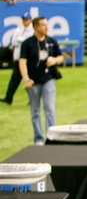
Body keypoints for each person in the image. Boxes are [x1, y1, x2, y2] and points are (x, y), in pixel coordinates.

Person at [19, 16, 63, 145]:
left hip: (47, 79)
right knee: (35, 111)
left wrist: (55, 60)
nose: (46, 27)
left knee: (50, 109)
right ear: (36, 27)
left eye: (46, 24)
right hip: (33, 81)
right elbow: (22, 61)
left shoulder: (51, 41)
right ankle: (38, 138)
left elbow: (60, 56)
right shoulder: (27, 43)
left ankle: (52, 137)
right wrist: (26, 79)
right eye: (43, 25)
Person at [1, 11, 34, 105]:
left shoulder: (32, 30)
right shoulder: (19, 28)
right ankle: (8, 98)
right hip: (17, 57)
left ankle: (33, 98)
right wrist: (21, 40)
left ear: (30, 20)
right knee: (14, 80)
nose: (24, 21)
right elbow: (14, 41)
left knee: (28, 79)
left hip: (27, 59)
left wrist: (20, 39)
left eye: (26, 19)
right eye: (23, 19)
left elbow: (27, 42)